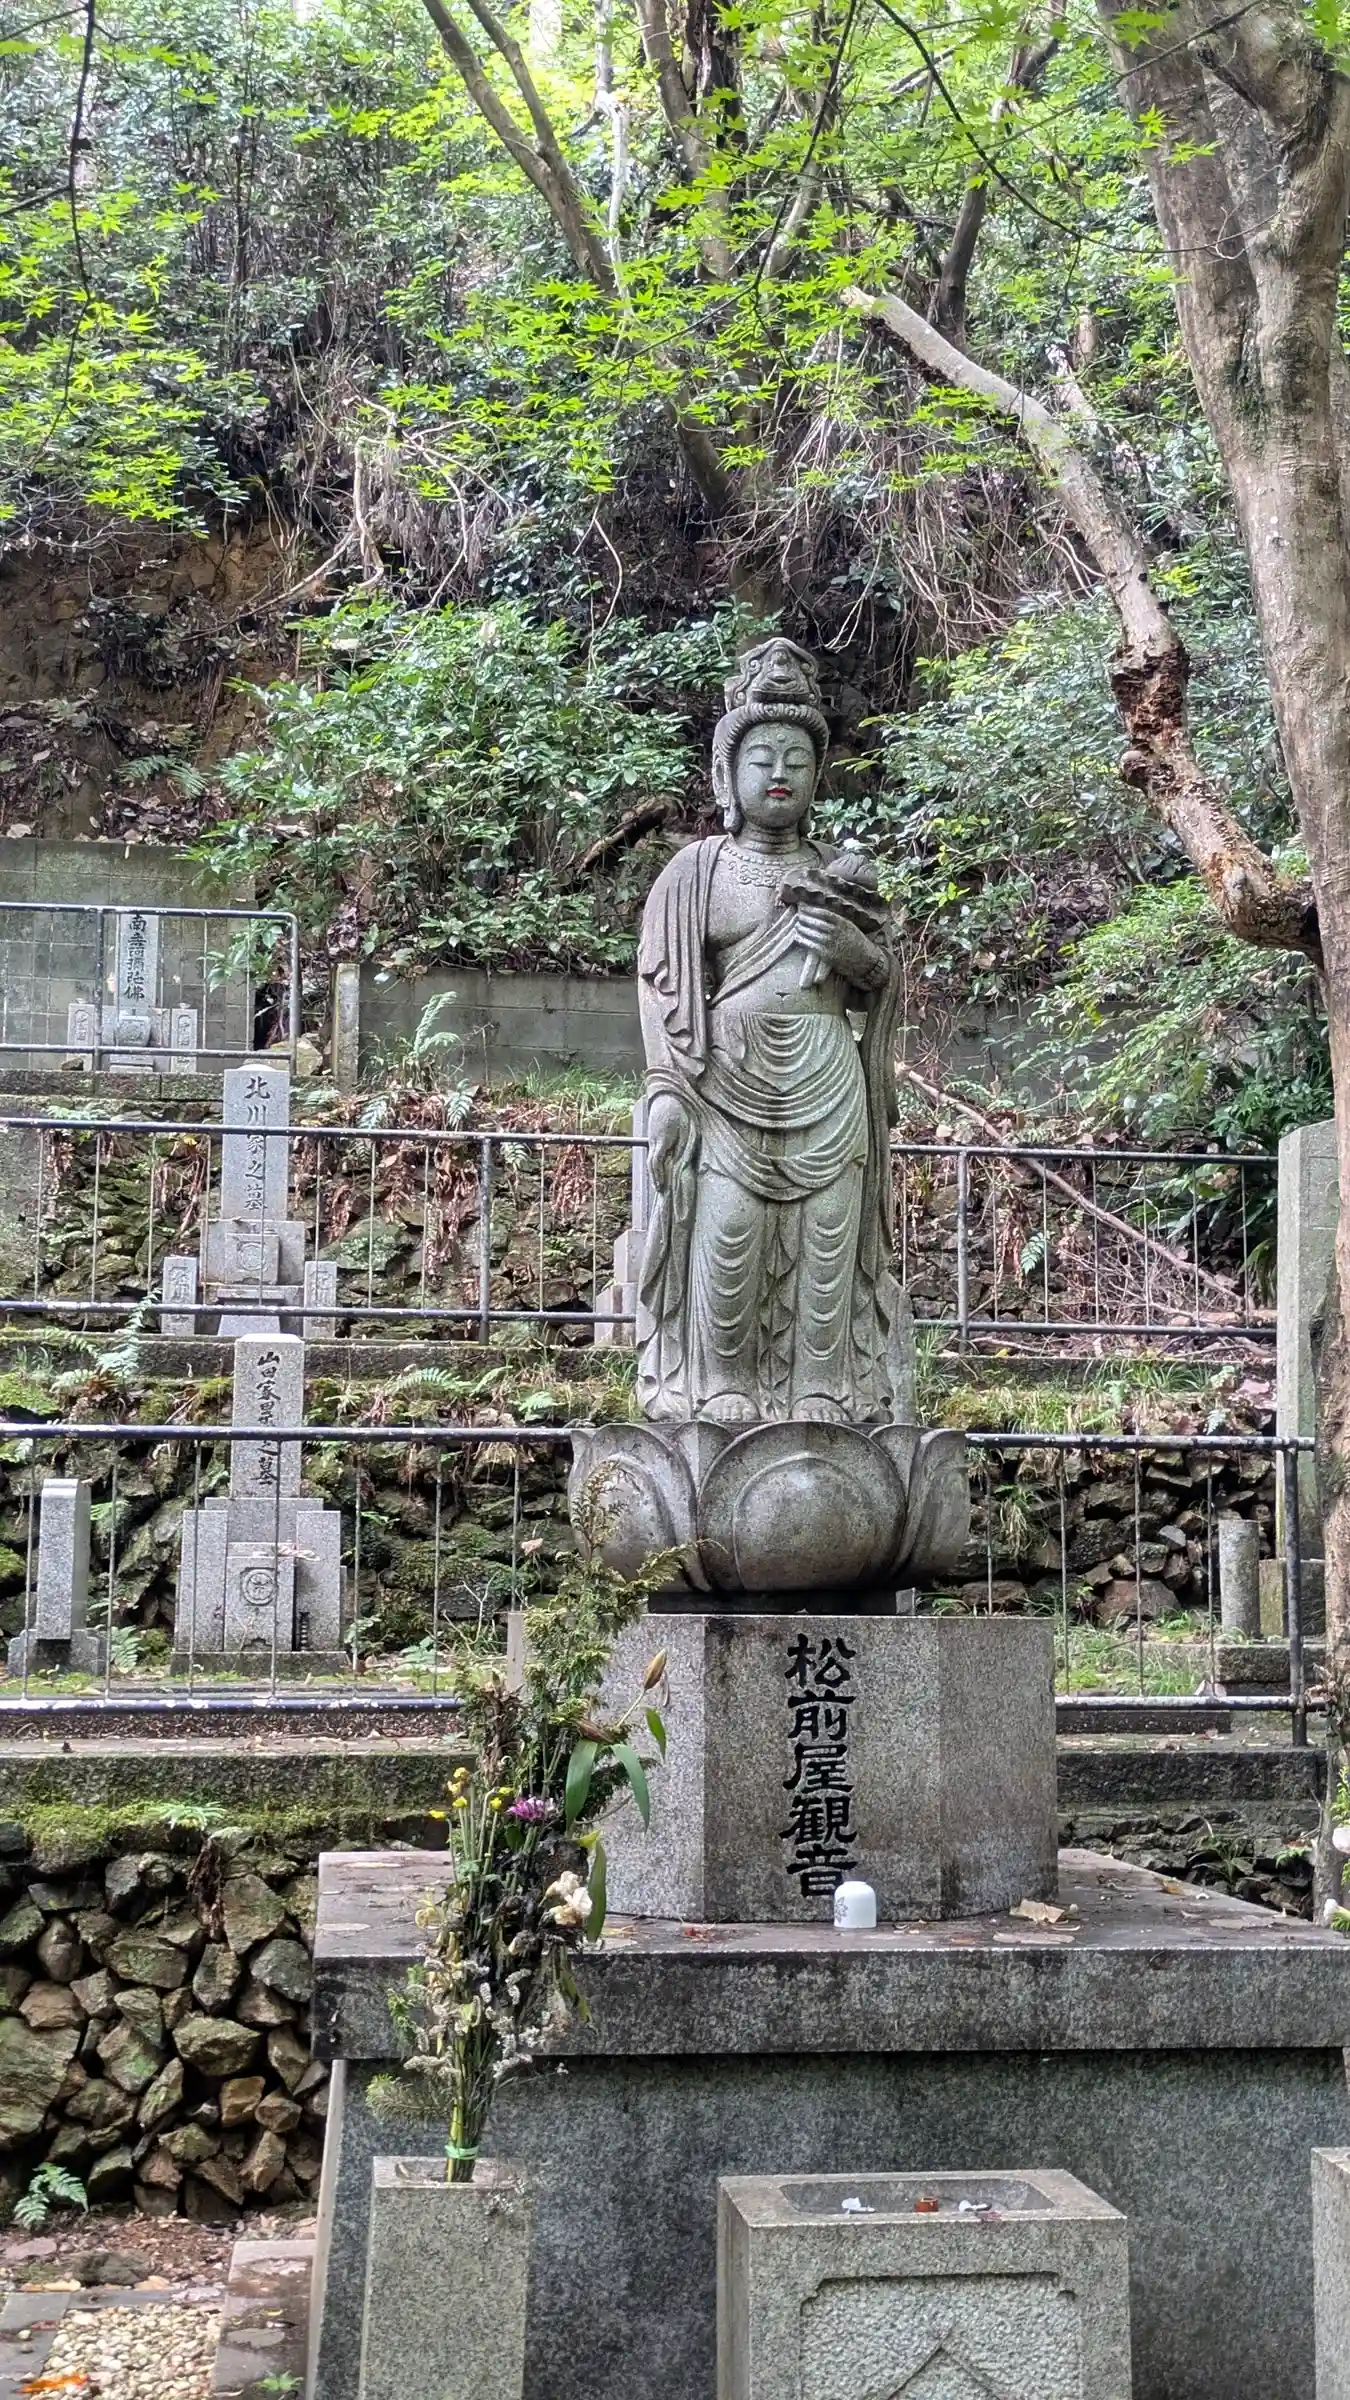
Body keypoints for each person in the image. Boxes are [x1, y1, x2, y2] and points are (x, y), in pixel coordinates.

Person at [635, 638, 903, 1425]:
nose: (779, 771)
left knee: (829, 1240)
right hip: (725, 1080)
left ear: (819, 777)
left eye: (797, 758)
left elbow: (885, 978)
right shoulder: (696, 873)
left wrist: (857, 955)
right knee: (728, 1237)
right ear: (727, 775)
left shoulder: (845, 877)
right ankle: (717, 1387)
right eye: (761, 758)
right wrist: (667, 1089)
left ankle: (825, 1389)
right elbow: (660, 988)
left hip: (828, 1076)